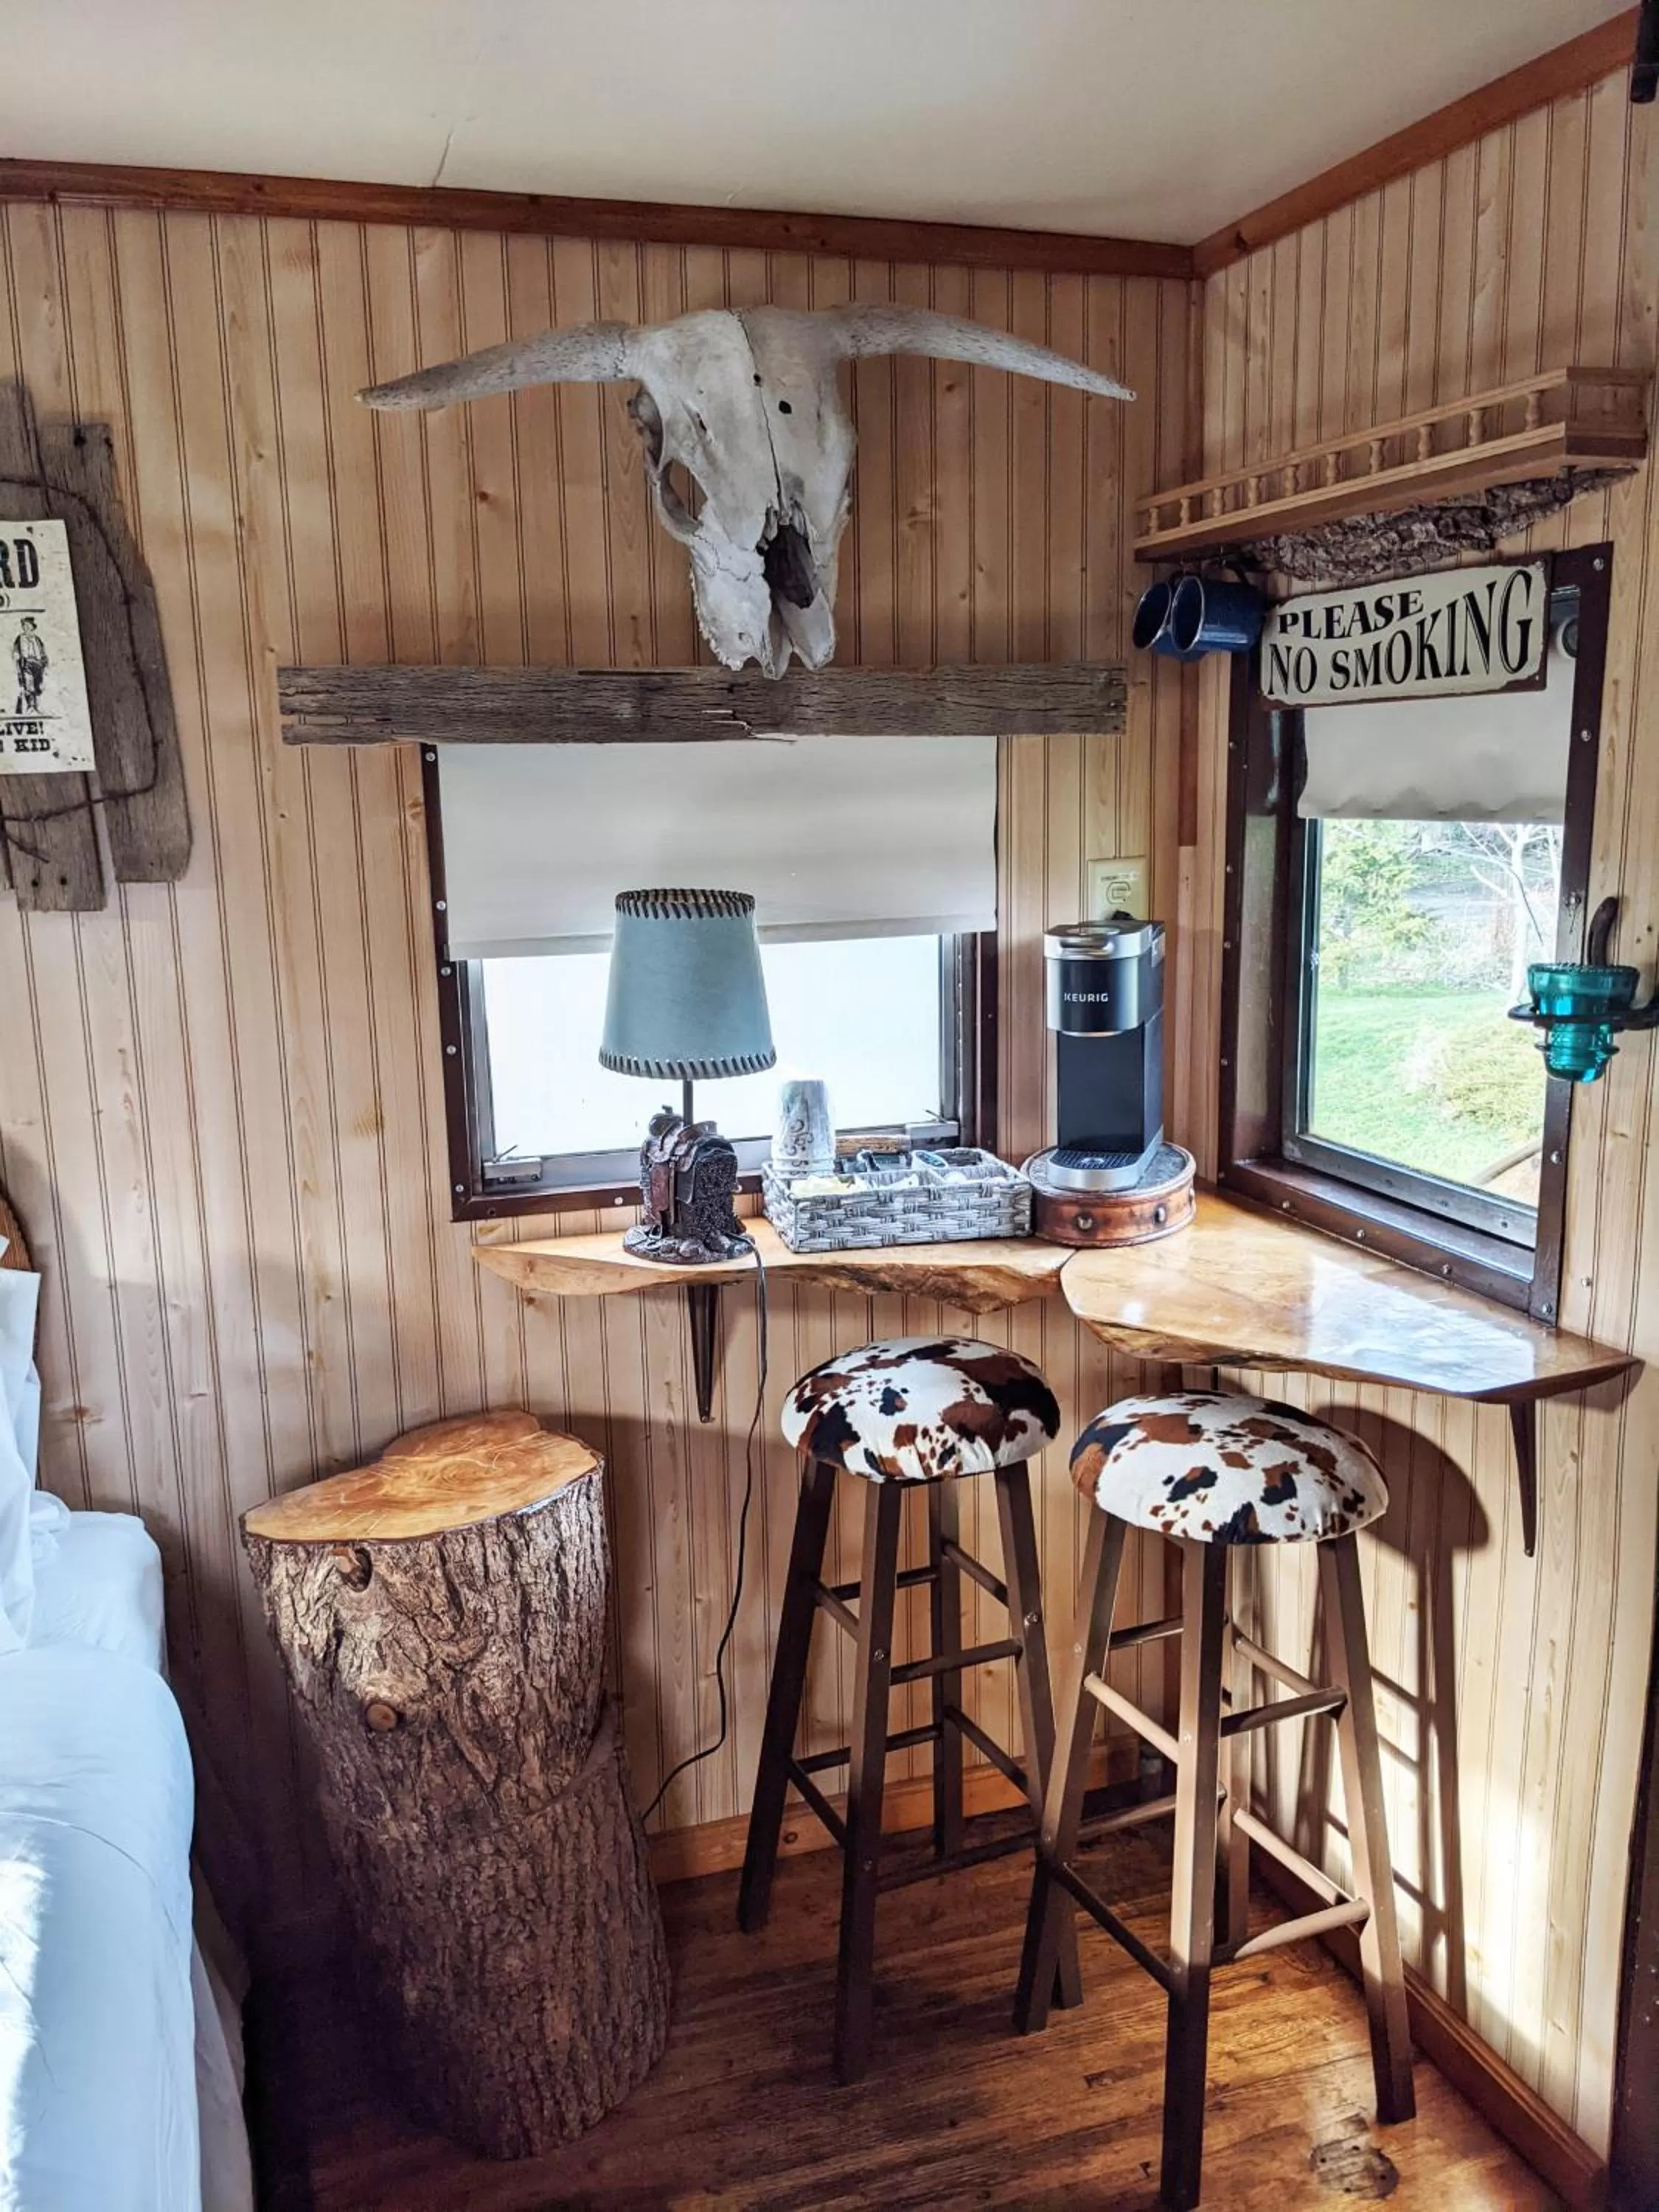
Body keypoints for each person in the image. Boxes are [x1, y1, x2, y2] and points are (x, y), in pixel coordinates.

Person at [12, 618, 47, 714]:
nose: (25, 627)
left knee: (38, 685)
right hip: (27, 664)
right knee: (28, 685)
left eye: (28, 625)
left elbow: (43, 651)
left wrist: (45, 664)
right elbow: (15, 650)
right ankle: (30, 706)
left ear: (32, 627)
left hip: (38, 664)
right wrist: (16, 656)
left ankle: (38, 706)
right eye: (24, 626)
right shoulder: (20, 638)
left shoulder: (37, 639)